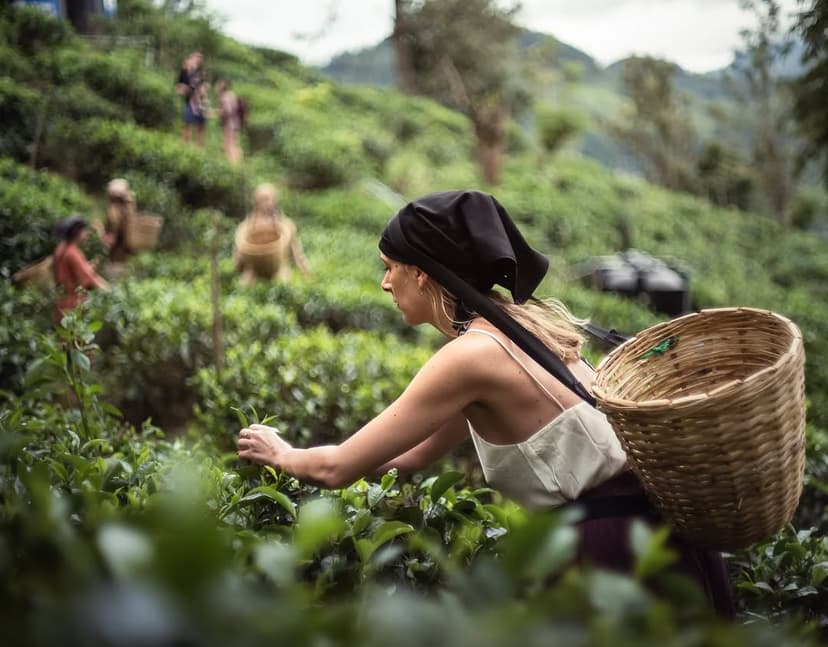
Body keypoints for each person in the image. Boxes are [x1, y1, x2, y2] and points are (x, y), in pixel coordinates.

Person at [236, 189, 734, 616]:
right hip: (652, 539)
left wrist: (283, 454)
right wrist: (310, 455)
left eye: (390, 268)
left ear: (424, 273)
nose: (385, 283)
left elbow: (338, 469)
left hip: (610, 553)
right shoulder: (519, 329)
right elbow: (413, 454)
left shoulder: (472, 355)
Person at [233, 183, 311, 285]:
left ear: (274, 201)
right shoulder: (246, 226)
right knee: (244, 285)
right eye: (261, 199)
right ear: (255, 202)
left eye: (268, 199)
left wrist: (306, 272)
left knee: (284, 283)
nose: (265, 203)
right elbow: (239, 254)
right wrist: (239, 265)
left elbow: (297, 253)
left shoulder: (285, 225)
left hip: (278, 268)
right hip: (254, 271)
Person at [53, 215, 110, 325]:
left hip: (62, 302)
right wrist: (108, 290)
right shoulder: (73, 253)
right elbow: (88, 280)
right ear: (77, 233)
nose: (87, 234)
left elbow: (73, 271)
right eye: (85, 231)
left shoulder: (61, 248)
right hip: (73, 304)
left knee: (64, 338)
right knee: (74, 339)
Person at [101, 178, 135, 277]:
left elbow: (111, 238)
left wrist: (100, 232)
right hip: (124, 255)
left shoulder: (114, 212)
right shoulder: (128, 211)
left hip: (115, 257)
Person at [175, 51, 206, 147]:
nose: (196, 62)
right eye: (195, 59)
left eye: (198, 60)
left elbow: (203, 88)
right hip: (189, 102)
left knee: (201, 128)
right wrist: (184, 90)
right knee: (188, 126)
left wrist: (203, 94)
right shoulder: (183, 72)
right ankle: (184, 147)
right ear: (189, 59)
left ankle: (199, 151)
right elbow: (177, 88)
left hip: (200, 103)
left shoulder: (199, 73)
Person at [215, 79, 243, 165]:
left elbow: (227, 111)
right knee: (235, 144)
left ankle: (232, 166)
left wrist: (216, 112)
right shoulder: (232, 94)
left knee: (229, 145)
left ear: (221, 87)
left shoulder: (224, 97)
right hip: (236, 123)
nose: (215, 88)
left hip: (229, 124)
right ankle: (238, 165)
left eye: (217, 86)